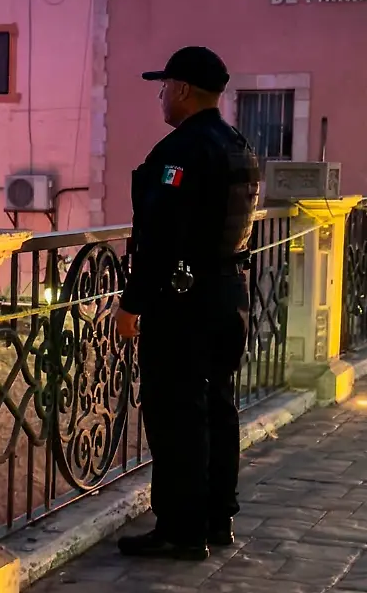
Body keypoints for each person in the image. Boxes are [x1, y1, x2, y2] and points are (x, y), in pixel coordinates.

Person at [113, 46, 260, 560]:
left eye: (163, 87)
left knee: (177, 413)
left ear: (181, 89)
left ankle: (180, 527)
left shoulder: (182, 151)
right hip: (228, 292)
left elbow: (161, 235)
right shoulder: (237, 144)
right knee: (217, 407)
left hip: (184, 299)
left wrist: (132, 303)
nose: (160, 97)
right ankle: (217, 517)